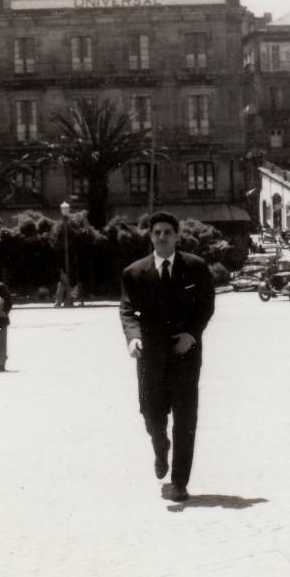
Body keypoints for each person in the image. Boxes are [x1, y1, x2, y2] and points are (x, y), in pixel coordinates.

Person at [119, 212, 216, 504]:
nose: (162, 237)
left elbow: (207, 306)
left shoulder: (195, 268)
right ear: (151, 236)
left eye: (167, 232)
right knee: (151, 415)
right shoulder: (134, 273)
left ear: (176, 236)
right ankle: (160, 447)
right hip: (150, 358)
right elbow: (126, 310)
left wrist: (192, 334)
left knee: (185, 419)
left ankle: (179, 483)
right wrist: (133, 336)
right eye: (157, 232)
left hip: (185, 355)